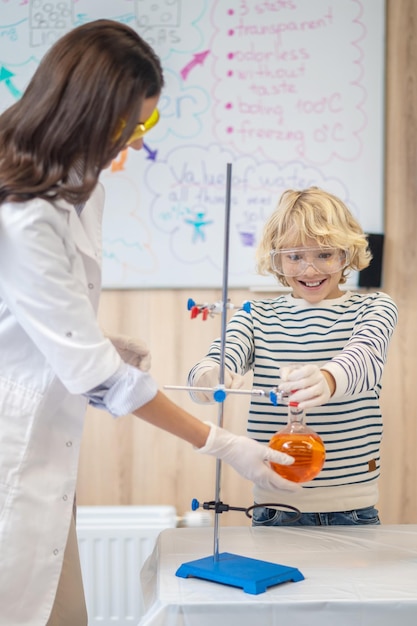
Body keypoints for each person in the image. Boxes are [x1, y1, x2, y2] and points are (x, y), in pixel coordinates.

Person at [0, 20, 299, 626]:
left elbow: (34, 317)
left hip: (47, 455)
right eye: (130, 126)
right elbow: (100, 378)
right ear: (87, 112)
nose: (136, 143)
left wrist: (96, 340)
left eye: (148, 125)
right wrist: (223, 443)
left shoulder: (81, 192)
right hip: (16, 450)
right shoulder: (24, 215)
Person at [188, 187, 398, 528]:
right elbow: (220, 356)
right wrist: (209, 376)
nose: (310, 269)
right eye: (295, 256)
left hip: (353, 509)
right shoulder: (255, 315)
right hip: (275, 507)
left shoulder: (373, 307)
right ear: (276, 258)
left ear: (347, 254)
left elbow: (366, 357)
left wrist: (328, 379)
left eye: (325, 254)